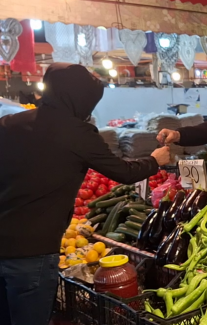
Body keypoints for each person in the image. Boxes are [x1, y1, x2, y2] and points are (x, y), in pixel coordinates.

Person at [0, 63, 171, 325]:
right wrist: (154, 160)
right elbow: (123, 172)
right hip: (32, 251)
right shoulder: (77, 133)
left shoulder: (9, 123)